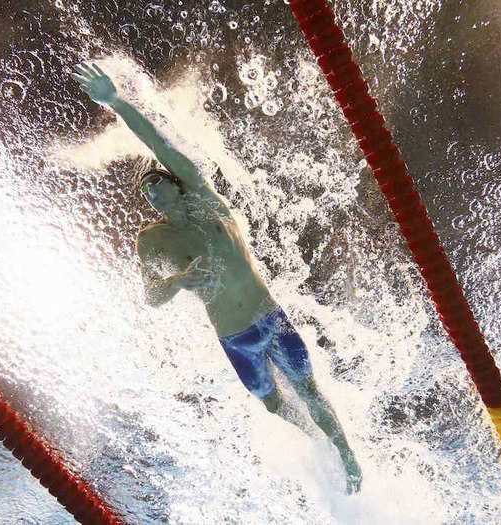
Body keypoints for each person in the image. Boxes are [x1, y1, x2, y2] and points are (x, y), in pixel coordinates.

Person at [71, 62, 362, 493]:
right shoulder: (152, 241)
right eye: (145, 192)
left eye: (156, 182)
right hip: (235, 339)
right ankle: (318, 444)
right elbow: (151, 295)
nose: (150, 192)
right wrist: (177, 283)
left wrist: (116, 102)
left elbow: (156, 141)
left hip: (270, 318)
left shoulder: (206, 199)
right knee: (274, 405)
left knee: (310, 391)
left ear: (176, 182)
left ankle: (348, 455)